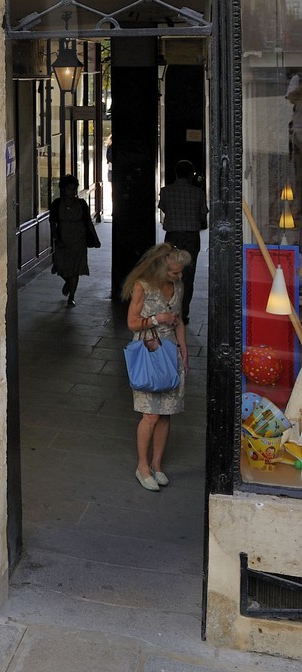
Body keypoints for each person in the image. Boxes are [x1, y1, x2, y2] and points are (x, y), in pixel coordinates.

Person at [123, 244, 190, 491]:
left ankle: (157, 464)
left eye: (180, 271)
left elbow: (178, 320)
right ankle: (142, 467)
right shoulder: (142, 286)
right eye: (174, 272)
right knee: (150, 415)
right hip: (149, 351)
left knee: (165, 413)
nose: (179, 275)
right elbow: (131, 323)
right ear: (161, 268)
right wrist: (156, 319)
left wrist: (184, 350)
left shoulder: (178, 286)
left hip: (171, 352)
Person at [159, 159, 207, 324]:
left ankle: (169, 309)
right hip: (191, 238)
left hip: (172, 237)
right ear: (190, 175)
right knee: (188, 275)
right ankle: (183, 312)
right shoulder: (198, 193)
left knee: (169, 273)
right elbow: (202, 216)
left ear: (176, 173)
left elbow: (164, 208)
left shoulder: (166, 191)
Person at [49, 174, 100, 305]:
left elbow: (88, 222)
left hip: (79, 239)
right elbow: (53, 222)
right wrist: (55, 237)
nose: (72, 192)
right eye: (69, 189)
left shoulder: (81, 204)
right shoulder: (56, 204)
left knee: (75, 269)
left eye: (74, 189)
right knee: (59, 266)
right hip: (63, 239)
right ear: (63, 189)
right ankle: (68, 282)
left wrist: (95, 238)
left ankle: (71, 297)